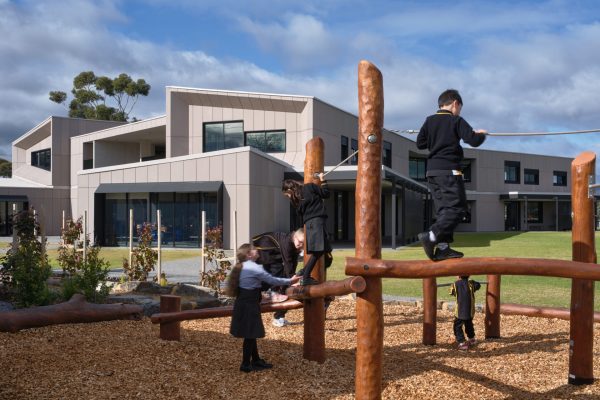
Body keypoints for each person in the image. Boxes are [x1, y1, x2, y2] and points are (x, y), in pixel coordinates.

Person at [416, 89, 487, 261]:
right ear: (455, 104)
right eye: (460, 108)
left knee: (444, 211)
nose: (459, 112)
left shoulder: (429, 120)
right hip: (449, 171)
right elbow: (473, 141)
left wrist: (436, 137)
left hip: (432, 172)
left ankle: (443, 248)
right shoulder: (456, 120)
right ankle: (432, 236)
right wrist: (481, 135)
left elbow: (420, 144)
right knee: (458, 208)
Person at [227, 243, 300, 372]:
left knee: (251, 332)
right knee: (250, 334)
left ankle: (255, 360)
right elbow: (272, 280)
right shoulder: (254, 268)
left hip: (243, 301)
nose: (257, 250)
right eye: (254, 250)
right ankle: (245, 364)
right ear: (249, 255)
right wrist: (290, 281)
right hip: (249, 303)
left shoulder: (243, 266)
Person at [281, 173, 331, 286]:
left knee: (323, 249)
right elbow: (326, 194)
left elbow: (300, 215)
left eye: (287, 194)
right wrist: (323, 180)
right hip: (317, 222)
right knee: (319, 251)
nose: (288, 197)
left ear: (289, 189)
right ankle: (306, 275)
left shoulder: (296, 200)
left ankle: (304, 272)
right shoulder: (310, 187)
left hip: (310, 224)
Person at [252, 229, 304, 327]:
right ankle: (272, 293)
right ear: (295, 237)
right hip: (265, 247)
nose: (300, 245)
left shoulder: (294, 245)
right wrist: (291, 279)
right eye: (300, 242)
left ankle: (258, 294)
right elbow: (288, 262)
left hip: (271, 250)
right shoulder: (287, 243)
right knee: (278, 271)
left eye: (303, 244)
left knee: (272, 276)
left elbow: (293, 262)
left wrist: (293, 277)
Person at [449, 276, 481, 350]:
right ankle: (472, 339)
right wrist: (471, 281)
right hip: (470, 310)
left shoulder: (455, 284)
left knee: (457, 327)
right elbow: (478, 285)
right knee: (469, 324)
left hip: (460, 311)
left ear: (458, 276)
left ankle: (462, 343)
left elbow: (451, 292)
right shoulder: (471, 283)